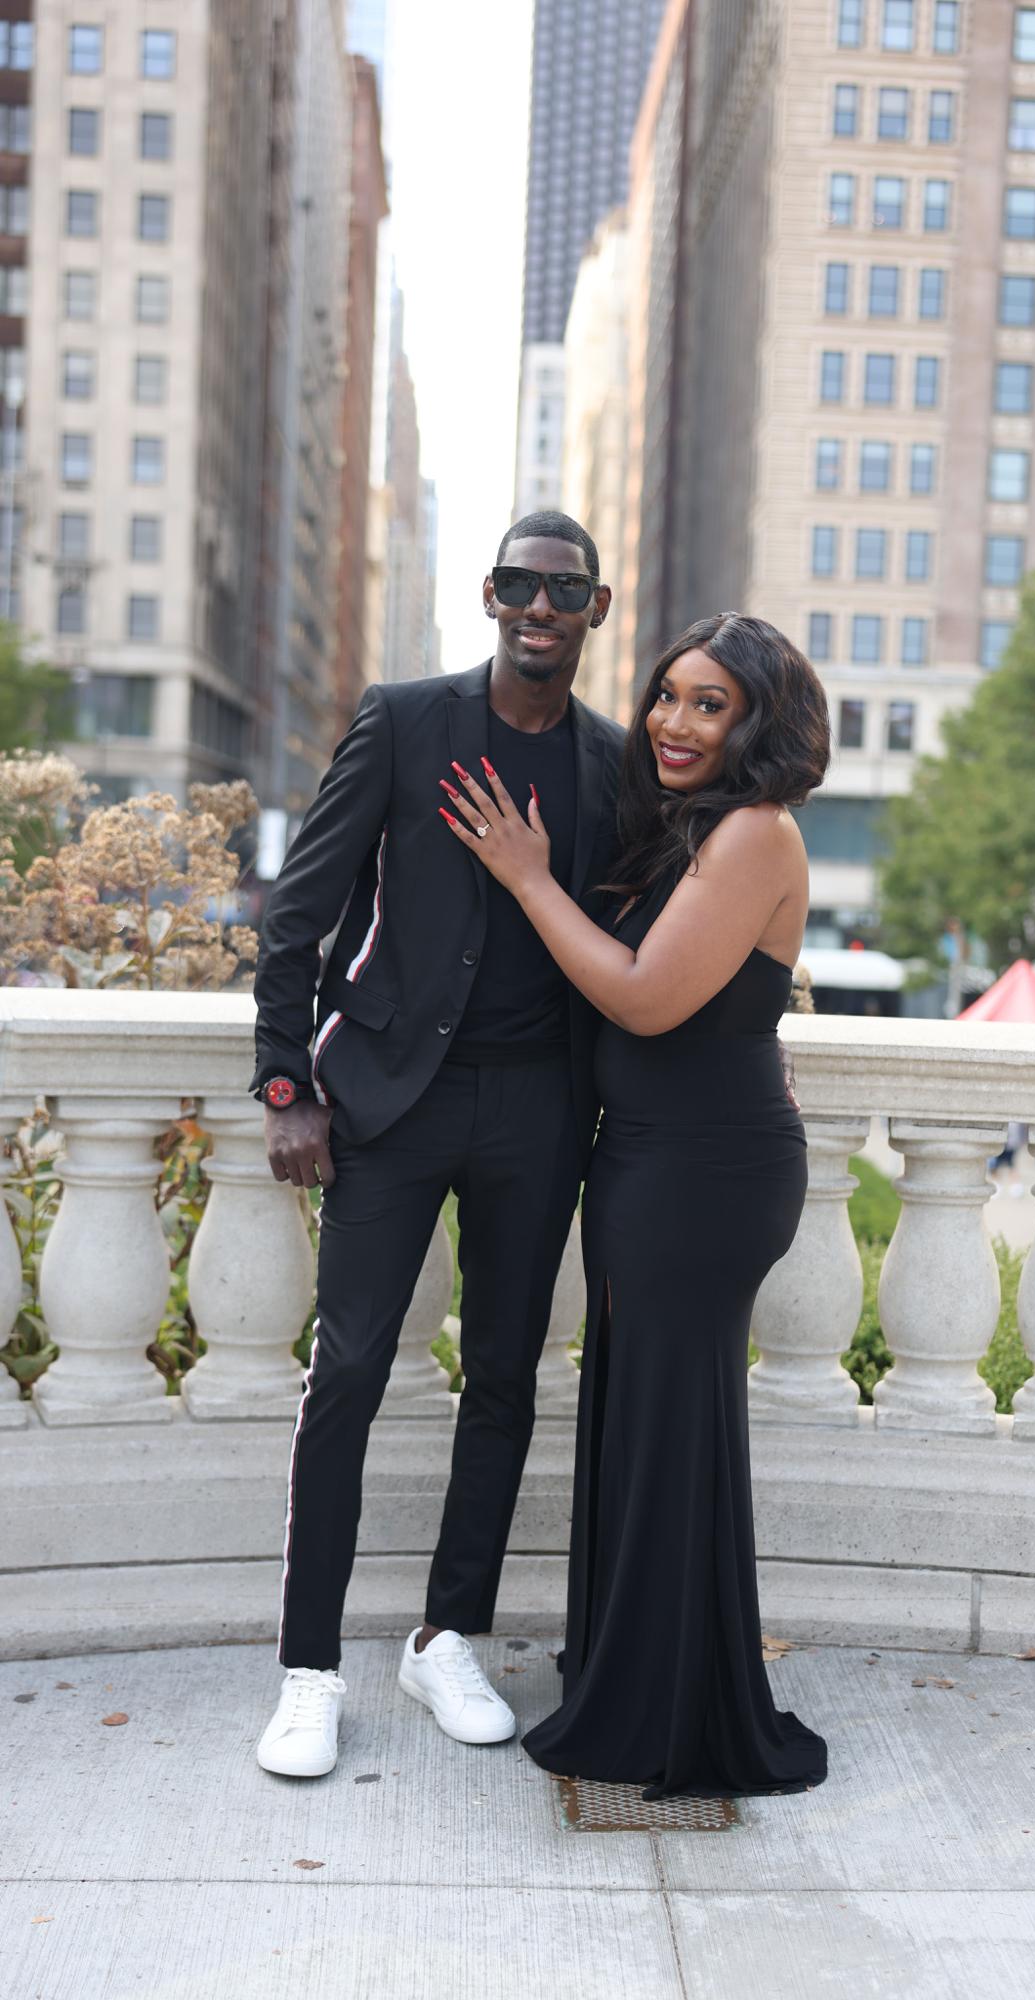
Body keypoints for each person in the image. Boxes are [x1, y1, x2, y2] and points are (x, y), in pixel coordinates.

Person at [250, 511, 623, 1778]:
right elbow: (297, 912)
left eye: (562, 589)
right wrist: (286, 1083)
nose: (538, 604)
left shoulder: (611, 763)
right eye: (519, 582)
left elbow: (639, 936)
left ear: (595, 608)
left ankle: (445, 1634)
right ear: (488, 594)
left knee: (505, 1378)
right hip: (389, 1102)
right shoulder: (405, 722)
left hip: (537, 1111)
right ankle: (309, 1670)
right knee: (348, 1372)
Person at [440, 612, 829, 1798]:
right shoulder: (692, 828)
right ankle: (643, 1671)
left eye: (710, 704)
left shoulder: (755, 829)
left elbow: (647, 998)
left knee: (666, 1426)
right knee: (645, 1419)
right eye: (667, 694)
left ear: (759, 723)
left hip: (703, 1174)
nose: (674, 721)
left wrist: (524, 876)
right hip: (648, 1160)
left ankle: (668, 1709)